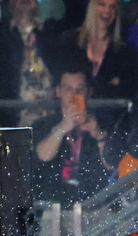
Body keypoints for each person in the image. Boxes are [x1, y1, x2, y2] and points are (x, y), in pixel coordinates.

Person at [0, 0, 84, 126]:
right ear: (9, 4)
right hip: (13, 118)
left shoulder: (49, 31)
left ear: (36, 2)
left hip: (51, 117)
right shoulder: (4, 34)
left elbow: (78, 17)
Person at [32, 67, 115, 203]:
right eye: (68, 89)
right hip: (53, 205)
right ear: (58, 91)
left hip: (93, 205)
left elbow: (112, 164)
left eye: (79, 89)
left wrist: (98, 134)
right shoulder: (43, 125)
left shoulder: (101, 124)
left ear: (88, 92)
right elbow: (42, 156)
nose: (74, 94)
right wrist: (62, 128)